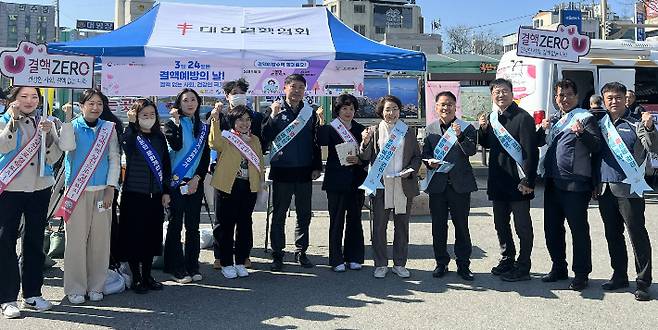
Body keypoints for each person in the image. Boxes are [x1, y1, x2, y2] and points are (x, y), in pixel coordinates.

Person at [0, 86, 61, 318]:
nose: (29, 101)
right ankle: (6, 297)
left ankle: (33, 293)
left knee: (34, 240)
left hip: (39, 187)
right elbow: (2, 146)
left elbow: (55, 156)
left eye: (34, 96)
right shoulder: (3, 120)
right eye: (23, 96)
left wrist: (48, 138)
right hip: (9, 188)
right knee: (5, 240)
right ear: (12, 100)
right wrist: (13, 123)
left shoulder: (45, 122)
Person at [536, 79, 602, 291]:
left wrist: (581, 132)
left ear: (575, 96)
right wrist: (542, 129)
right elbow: (540, 143)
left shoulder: (586, 118)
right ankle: (559, 267)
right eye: (559, 95)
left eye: (567, 95)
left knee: (578, 230)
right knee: (552, 229)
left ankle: (581, 273)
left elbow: (597, 146)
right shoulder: (555, 120)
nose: (563, 99)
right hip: (553, 182)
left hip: (576, 184)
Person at [594, 82, 657, 301]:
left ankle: (642, 282)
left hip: (630, 188)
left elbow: (653, 147)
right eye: (609, 98)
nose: (614, 101)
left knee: (637, 235)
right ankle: (619, 275)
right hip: (605, 188)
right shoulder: (600, 124)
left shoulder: (636, 123)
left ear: (626, 99)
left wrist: (650, 128)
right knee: (613, 235)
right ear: (603, 100)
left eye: (618, 97)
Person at [59, 89, 121, 304]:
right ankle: (75, 287)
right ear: (81, 105)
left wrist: (111, 187)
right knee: (75, 242)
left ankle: (97, 285)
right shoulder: (72, 126)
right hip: (76, 192)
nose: (95, 107)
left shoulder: (109, 129)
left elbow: (114, 158)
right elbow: (66, 147)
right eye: (91, 103)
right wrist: (66, 120)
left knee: (100, 242)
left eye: (99, 104)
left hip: (102, 192)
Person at [478, 78, 538, 282]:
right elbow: (486, 144)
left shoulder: (523, 118)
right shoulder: (493, 117)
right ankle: (507, 258)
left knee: (522, 226)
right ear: (492, 95)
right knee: (500, 224)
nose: (500, 95)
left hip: (518, 182)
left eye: (504, 91)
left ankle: (523, 266)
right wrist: (484, 130)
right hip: (498, 180)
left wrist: (529, 181)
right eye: (496, 91)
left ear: (512, 94)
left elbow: (531, 152)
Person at [261, 74, 322, 271]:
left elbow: (316, 142)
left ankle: (301, 251)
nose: (297, 91)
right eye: (293, 87)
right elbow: (265, 137)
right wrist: (272, 116)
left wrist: (316, 167)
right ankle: (277, 254)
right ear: (285, 88)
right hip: (282, 170)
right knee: (279, 215)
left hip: (304, 170)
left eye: (301, 88)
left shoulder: (309, 112)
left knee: (304, 214)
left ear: (305, 91)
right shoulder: (275, 110)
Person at [359, 95, 421, 279]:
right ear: (381, 111)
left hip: (403, 183)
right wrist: (366, 141)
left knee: (401, 226)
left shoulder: (407, 131)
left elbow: (417, 157)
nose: (391, 113)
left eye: (395, 109)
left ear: (400, 111)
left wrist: (411, 170)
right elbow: (364, 157)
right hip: (381, 184)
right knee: (379, 226)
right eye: (387, 109)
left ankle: (400, 263)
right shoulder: (375, 130)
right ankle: (380, 264)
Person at [115, 99, 171, 294]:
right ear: (137, 116)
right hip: (133, 194)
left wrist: (166, 191)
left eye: (151, 115)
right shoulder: (131, 134)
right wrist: (131, 125)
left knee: (151, 237)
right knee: (134, 237)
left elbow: (165, 165)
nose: (148, 118)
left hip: (155, 195)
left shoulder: (159, 137)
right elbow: (126, 147)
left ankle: (147, 275)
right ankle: (136, 277)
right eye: (144, 115)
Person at [209, 78, 264, 269]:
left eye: (241, 91)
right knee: (223, 222)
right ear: (227, 95)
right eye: (234, 92)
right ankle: (222, 257)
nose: (244, 122)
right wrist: (215, 117)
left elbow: (260, 160)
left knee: (244, 222)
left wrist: (260, 182)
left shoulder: (255, 123)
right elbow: (214, 143)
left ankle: (242, 257)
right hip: (227, 181)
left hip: (247, 183)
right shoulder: (221, 118)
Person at [422, 91, 477, 281]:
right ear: (436, 107)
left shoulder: (467, 128)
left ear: (456, 107)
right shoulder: (430, 129)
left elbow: (471, 151)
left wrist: (460, 136)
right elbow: (425, 154)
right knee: (438, 226)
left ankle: (463, 265)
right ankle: (441, 263)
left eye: (450, 104)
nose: (446, 108)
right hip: (438, 185)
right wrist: (430, 162)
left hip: (460, 185)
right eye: (442, 105)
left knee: (461, 226)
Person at [163, 88, 211, 284]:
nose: (190, 103)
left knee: (193, 226)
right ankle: (175, 266)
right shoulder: (171, 124)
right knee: (175, 225)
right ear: (179, 104)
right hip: (176, 182)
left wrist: (198, 177)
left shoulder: (202, 127)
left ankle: (193, 264)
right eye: (185, 100)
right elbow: (174, 147)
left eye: (193, 100)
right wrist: (175, 123)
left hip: (194, 182)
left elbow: (205, 155)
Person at [317, 94, 367, 272]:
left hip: (356, 181)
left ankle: (354, 257)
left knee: (355, 219)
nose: (348, 112)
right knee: (336, 221)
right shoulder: (331, 128)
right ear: (338, 110)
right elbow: (320, 142)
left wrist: (360, 160)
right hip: (336, 181)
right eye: (344, 108)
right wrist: (321, 121)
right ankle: (336, 259)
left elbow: (367, 156)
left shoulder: (362, 130)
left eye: (351, 108)